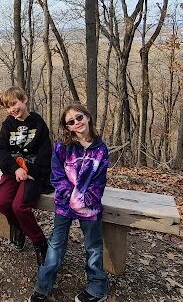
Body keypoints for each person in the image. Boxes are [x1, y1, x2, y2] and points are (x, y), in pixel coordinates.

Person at [28, 102, 109, 302]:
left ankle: (97, 288)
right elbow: (57, 176)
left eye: (79, 117)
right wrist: (70, 197)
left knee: (93, 246)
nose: (76, 123)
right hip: (64, 205)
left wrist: (83, 201)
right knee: (56, 244)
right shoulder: (62, 147)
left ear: (87, 117)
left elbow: (99, 182)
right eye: (71, 121)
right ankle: (43, 288)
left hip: (89, 207)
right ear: (68, 127)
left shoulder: (100, 149)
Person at [0, 86, 52, 266]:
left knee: (19, 207)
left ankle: (40, 242)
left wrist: (31, 172)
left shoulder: (38, 123)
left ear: (24, 99)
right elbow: (1, 150)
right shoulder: (8, 125)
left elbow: (45, 154)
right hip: (13, 171)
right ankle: (18, 228)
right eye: (8, 107)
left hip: (34, 173)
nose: (12, 109)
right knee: (2, 202)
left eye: (14, 104)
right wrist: (15, 169)